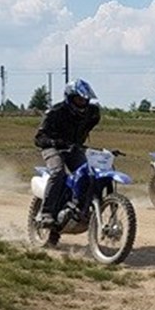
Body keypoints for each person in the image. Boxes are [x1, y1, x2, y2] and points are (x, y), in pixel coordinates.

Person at [33, 78, 101, 227]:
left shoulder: (93, 113)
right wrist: (55, 142)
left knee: (89, 173)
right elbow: (39, 138)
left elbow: (85, 130)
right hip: (53, 148)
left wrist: (79, 146)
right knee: (58, 172)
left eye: (85, 100)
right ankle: (46, 213)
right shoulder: (55, 112)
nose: (82, 103)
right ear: (70, 98)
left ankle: (80, 206)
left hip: (74, 148)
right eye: (79, 99)